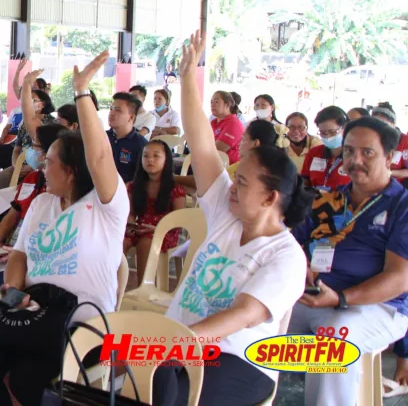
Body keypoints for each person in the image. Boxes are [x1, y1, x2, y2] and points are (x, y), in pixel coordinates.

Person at [152, 30, 310, 406]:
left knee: (171, 390)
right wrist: (189, 77)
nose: (231, 187)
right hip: (181, 343)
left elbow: (244, 315)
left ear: (271, 197)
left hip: (239, 360)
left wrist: (179, 346)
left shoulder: (286, 257)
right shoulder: (228, 209)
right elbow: (202, 142)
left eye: (241, 181)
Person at [0, 52, 129, 405]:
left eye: (49, 162)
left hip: (80, 321)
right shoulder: (42, 203)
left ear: (71, 170)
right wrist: (12, 291)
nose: (41, 167)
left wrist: (82, 91)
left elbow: (99, 156)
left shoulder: (105, 208)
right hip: (30, 309)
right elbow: (20, 255)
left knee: (27, 380)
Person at [290, 115, 408, 406]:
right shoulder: (327, 199)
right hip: (318, 298)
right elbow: (290, 242)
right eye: (349, 151)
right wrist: (299, 262)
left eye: (367, 152)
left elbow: (399, 278)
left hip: (379, 308)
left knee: (332, 342)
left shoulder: (401, 206)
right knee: (256, 316)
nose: (355, 160)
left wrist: (341, 298)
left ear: (389, 157)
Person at [0, 123, 66, 294]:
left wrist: (20, 252)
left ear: (48, 153)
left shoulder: (61, 191)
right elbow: (13, 214)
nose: (29, 150)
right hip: (9, 250)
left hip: (34, 257)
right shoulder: (32, 178)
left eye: (35, 146)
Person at [124, 140, 187, 288]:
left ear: (166, 160)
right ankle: (111, 286)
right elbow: (131, 212)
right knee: (119, 240)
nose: (150, 159)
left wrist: (157, 229)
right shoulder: (135, 186)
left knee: (146, 242)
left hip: (166, 231)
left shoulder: (174, 189)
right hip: (140, 227)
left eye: (156, 156)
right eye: (145, 156)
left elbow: (179, 221)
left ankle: (144, 288)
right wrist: (130, 225)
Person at [301, 106, 350, 193]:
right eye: (323, 133)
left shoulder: (354, 156)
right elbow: (304, 181)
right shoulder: (314, 153)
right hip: (316, 202)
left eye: (332, 132)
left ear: (344, 128)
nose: (327, 137)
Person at [108, 92, 148, 183]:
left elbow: (142, 179)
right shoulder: (101, 138)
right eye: (111, 109)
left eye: (118, 110)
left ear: (131, 117)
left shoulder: (141, 145)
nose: (112, 113)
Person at [370, 103, 408, 179]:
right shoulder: (368, 139)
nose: (379, 128)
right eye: (374, 124)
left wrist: (388, 172)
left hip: (396, 186)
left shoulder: (405, 141)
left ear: (393, 124)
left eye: (384, 124)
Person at [210, 90, 245, 164]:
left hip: (226, 169)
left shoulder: (234, 124)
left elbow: (217, 149)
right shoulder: (213, 122)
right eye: (211, 102)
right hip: (211, 163)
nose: (212, 104)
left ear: (227, 104)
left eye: (216, 101)